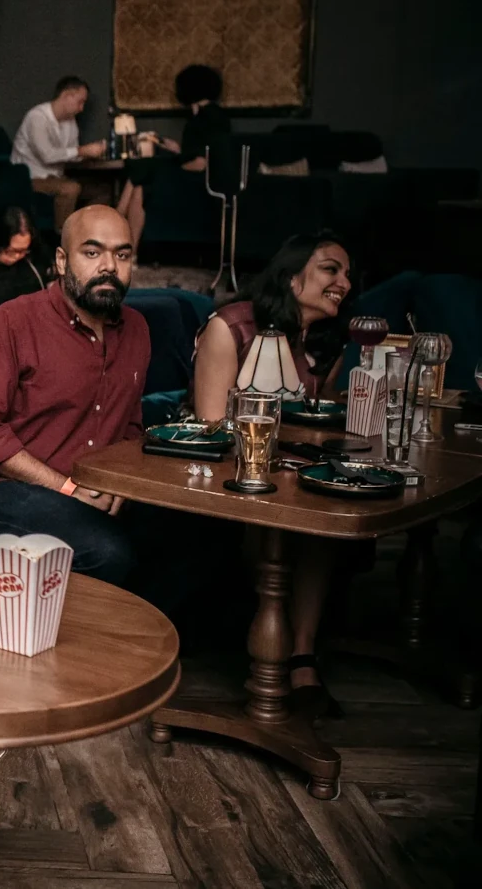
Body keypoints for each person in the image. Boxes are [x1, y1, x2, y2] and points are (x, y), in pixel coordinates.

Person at [0, 206, 146, 585]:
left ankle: (143, 641)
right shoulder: (10, 323)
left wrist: (122, 484)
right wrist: (69, 488)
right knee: (108, 551)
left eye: (122, 254)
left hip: (91, 488)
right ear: (62, 261)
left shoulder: (136, 330)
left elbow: (130, 425)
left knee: (194, 534)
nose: (109, 267)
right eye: (92, 252)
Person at [192, 232, 352, 715]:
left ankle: (301, 657)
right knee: (304, 509)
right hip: (225, 474)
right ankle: (273, 660)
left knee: (326, 503)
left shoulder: (326, 344)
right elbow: (211, 427)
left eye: (347, 274)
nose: (344, 283)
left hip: (293, 472)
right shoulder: (231, 327)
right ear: (290, 276)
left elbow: (324, 426)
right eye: (331, 269)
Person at [117, 64, 231, 250]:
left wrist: (175, 166)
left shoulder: (206, 118)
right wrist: (172, 147)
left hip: (199, 180)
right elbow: (197, 151)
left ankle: (116, 223)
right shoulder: (208, 116)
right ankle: (127, 245)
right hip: (196, 174)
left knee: (142, 170)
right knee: (141, 178)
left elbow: (201, 162)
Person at [10, 76, 105, 230]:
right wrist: (82, 150)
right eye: (80, 102)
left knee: (102, 191)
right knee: (70, 188)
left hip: (56, 177)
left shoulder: (70, 121)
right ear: (67, 95)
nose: (81, 108)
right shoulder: (37, 117)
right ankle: (62, 237)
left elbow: (72, 154)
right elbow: (47, 155)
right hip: (30, 178)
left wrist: (88, 154)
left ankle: (83, 231)